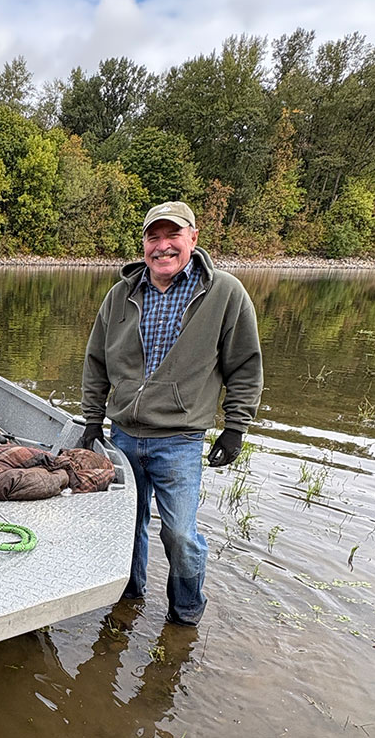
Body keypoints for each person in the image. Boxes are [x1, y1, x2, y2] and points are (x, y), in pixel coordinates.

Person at [79, 200, 263, 626]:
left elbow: (245, 365)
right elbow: (96, 363)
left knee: (180, 535)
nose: (162, 247)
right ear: (144, 244)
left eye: (172, 236)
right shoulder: (120, 295)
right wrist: (92, 421)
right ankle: (127, 598)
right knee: (127, 527)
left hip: (180, 439)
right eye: (153, 237)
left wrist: (235, 428)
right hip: (123, 435)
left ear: (193, 238)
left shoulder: (225, 294)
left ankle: (185, 615)